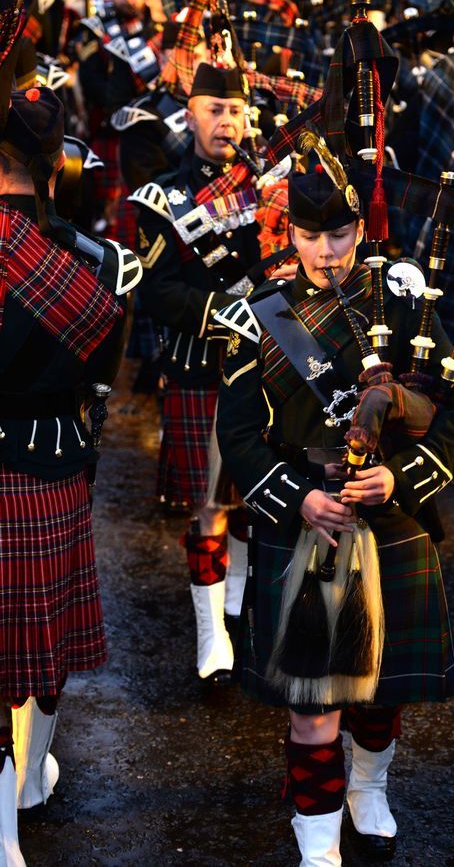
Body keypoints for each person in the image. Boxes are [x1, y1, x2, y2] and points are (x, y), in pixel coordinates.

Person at [216, 166, 454, 865]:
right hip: (307, 516)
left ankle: (368, 787)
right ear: (291, 234)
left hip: (388, 516)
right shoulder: (260, 311)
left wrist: (399, 476)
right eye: (311, 235)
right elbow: (239, 432)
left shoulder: (403, 299)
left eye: (339, 233)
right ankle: (318, 846)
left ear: (360, 230)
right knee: (313, 705)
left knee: (378, 691)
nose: (327, 250)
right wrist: (296, 496)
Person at [0, 85, 141, 863]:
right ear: (59, 167)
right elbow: (98, 382)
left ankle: (4, 839)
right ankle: (26, 785)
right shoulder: (101, 263)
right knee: (43, 644)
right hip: (57, 463)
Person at [130, 62, 266, 684]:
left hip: (263, 368)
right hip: (198, 369)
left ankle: (236, 597)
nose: (227, 122)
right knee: (208, 505)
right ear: (190, 114)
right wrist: (226, 313)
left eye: (236, 110)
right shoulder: (164, 197)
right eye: (214, 109)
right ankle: (211, 632)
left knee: (254, 497)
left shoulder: (271, 189)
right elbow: (156, 292)